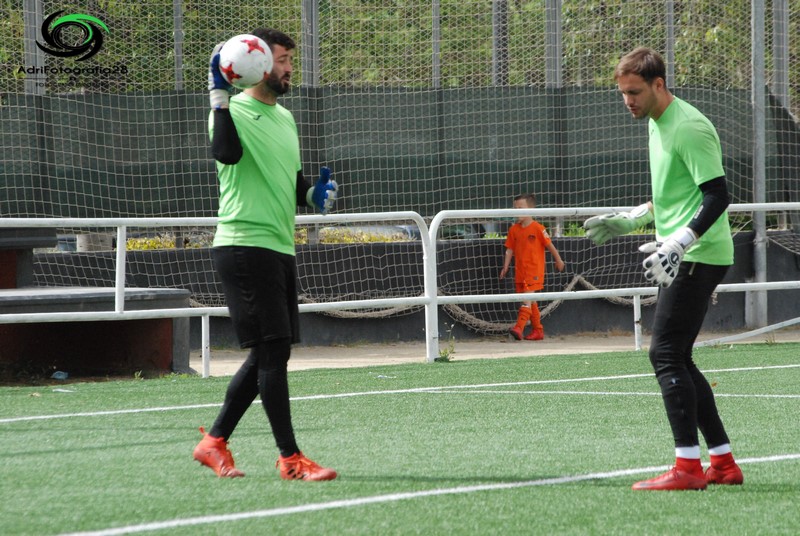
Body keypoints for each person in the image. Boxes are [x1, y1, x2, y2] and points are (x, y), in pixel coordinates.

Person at [583, 47, 743, 491]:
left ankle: (688, 469)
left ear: (659, 84)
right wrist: (632, 219)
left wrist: (680, 242)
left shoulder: (688, 127)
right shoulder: (656, 123)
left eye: (634, 92)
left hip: (698, 254)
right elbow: (674, 196)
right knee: (678, 355)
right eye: (622, 93)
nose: (627, 101)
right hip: (684, 254)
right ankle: (722, 463)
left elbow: (717, 195)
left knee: (665, 353)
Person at [192, 28, 339, 481]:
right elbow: (226, 154)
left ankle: (213, 443)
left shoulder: (286, 118)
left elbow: (293, 185)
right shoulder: (231, 110)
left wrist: (313, 195)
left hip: (277, 246)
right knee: (273, 352)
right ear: (255, 64)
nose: (290, 68)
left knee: (267, 355)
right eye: (282, 59)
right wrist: (218, 98)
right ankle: (290, 458)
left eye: (291, 59)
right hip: (243, 244)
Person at [499, 193, 565, 341]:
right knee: (531, 300)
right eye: (515, 208)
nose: (517, 211)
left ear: (531, 209)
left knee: (526, 299)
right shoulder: (513, 230)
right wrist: (505, 266)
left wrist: (558, 260)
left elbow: (550, 245)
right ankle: (538, 330)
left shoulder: (538, 228)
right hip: (520, 271)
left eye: (520, 208)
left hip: (534, 270)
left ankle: (519, 328)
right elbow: (509, 249)